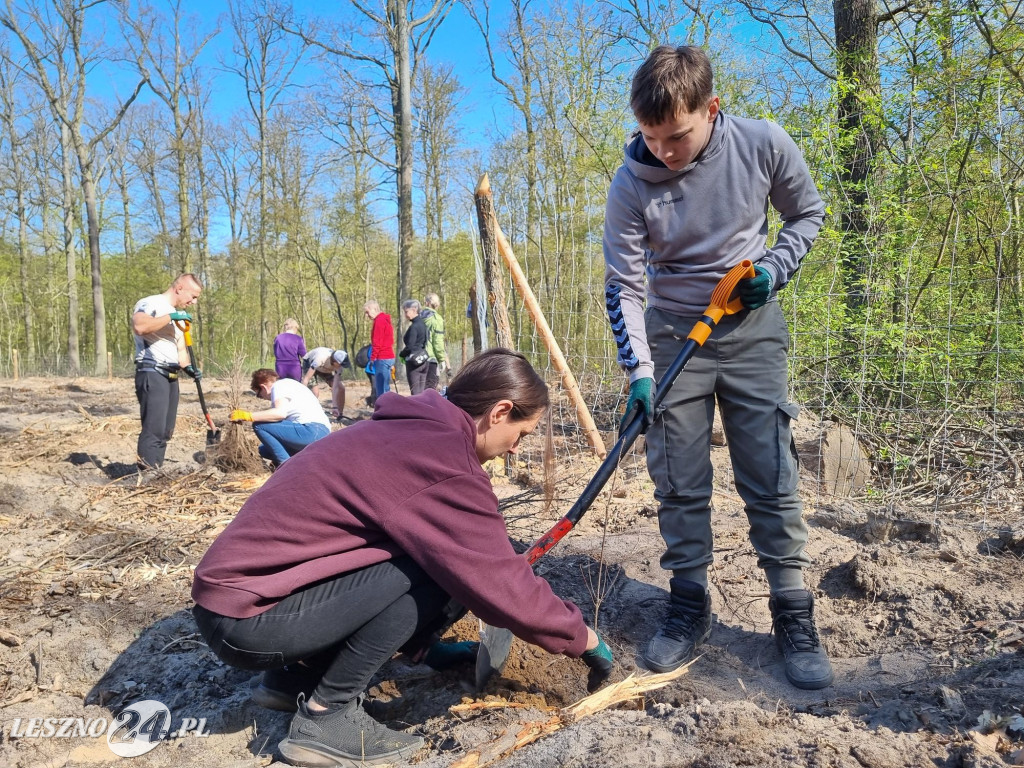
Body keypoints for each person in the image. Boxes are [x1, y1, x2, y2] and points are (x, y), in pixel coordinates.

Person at [191, 349, 614, 766]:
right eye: (521, 434)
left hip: (241, 607)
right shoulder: (443, 458)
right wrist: (583, 638)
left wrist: (424, 648)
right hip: (252, 621)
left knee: (437, 555)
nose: (515, 450)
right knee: (448, 567)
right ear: (500, 412)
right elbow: (499, 581)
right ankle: (326, 718)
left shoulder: (408, 431)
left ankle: (296, 679)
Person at [602, 45, 832, 689]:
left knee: (770, 470)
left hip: (751, 327)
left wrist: (774, 270)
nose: (663, 152)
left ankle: (792, 609)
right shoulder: (630, 184)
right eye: (651, 137)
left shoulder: (763, 143)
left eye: (676, 136)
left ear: (711, 109)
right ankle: (688, 603)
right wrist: (639, 371)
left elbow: (807, 214)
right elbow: (623, 287)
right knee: (678, 476)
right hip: (673, 335)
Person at [131, 273, 203, 470]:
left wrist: (189, 368)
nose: (194, 302)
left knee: (165, 430)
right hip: (152, 371)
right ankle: (147, 473)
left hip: (171, 376)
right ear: (179, 288)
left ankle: (156, 469)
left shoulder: (178, 316)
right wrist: (170, 317)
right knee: (154, 428)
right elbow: (140, 326)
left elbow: (180, 351)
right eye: (193, 296)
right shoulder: (151, 303)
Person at [229, 369, 331, 467]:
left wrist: (248, 416)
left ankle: (286, 466)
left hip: (311, 431)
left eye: (259, 395)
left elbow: (280, 413)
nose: (263, 398)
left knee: (259, 425)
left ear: (263, 387)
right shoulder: (290, 385)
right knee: (264, 450)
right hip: (321, 435)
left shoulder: (278, 386)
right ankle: (297, 462)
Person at [300, 347, 347, 421]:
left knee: (341, 388)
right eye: (340, 364)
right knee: (315, 393)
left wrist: (335, 407)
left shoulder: (339, 365)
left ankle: (340, 414)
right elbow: (306, 379)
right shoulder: (319, 358)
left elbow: (335, 386)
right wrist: (301, 395)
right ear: (335, 362)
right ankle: (308, 414)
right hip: (309, 363)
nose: (341, 367)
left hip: (324, 368)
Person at [363, 300, 395, 399]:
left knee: (381, 390)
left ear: (374, 309)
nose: (367, 315)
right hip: (388, 356)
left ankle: (384, 408)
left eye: (367, 312)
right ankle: (387, 406)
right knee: (385, 387)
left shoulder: (379, 321)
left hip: (382, 357)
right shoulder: (384, 319)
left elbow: (377, 342)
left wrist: (372, 359)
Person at [398, 299, 430, 396]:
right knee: (422, 392)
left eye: (406, 312)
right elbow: (425, 341)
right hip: (423, 360)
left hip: (413, 362)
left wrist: (402, 354)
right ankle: (423, 406)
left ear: (414, 310)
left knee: (415, 392)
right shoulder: (423, 324)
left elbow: (410, 346)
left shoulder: (414, 327)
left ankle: (416, 406)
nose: (405, 314)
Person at [421, 292, 450, 391]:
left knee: (418, 389)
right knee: (430, 388)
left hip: (416, 358)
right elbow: (438, 343)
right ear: (437, 304)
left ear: (426, 303)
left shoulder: (417, 317)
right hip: (430, 358)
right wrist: (441, 359)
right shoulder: (436, 319)